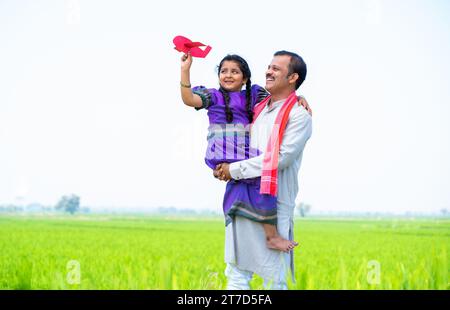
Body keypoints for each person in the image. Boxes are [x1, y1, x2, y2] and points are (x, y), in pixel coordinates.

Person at [180, 52, 311, 252]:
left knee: (249, 182)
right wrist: (185, 70)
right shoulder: (213, 95)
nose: (228, 75)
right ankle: (271, 236)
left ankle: (242, 223)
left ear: (246, 78)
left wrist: (298, 97)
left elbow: (280, 98)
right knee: (262, 177)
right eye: (223, 71)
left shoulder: (252, 96)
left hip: (241, 151)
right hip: (223, 150)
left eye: (235, 71)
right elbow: (189, 99)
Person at [214, 50, 313, 290]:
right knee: (237, 273)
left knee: (274, 278)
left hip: (274, 204)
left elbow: (280, 158)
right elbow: (226, 94)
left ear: (293, 78)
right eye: (269, 67)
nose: (268, 71)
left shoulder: (298, 114)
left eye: (276, 69)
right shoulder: (256, 106)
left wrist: (233, 169)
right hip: (243, 198)